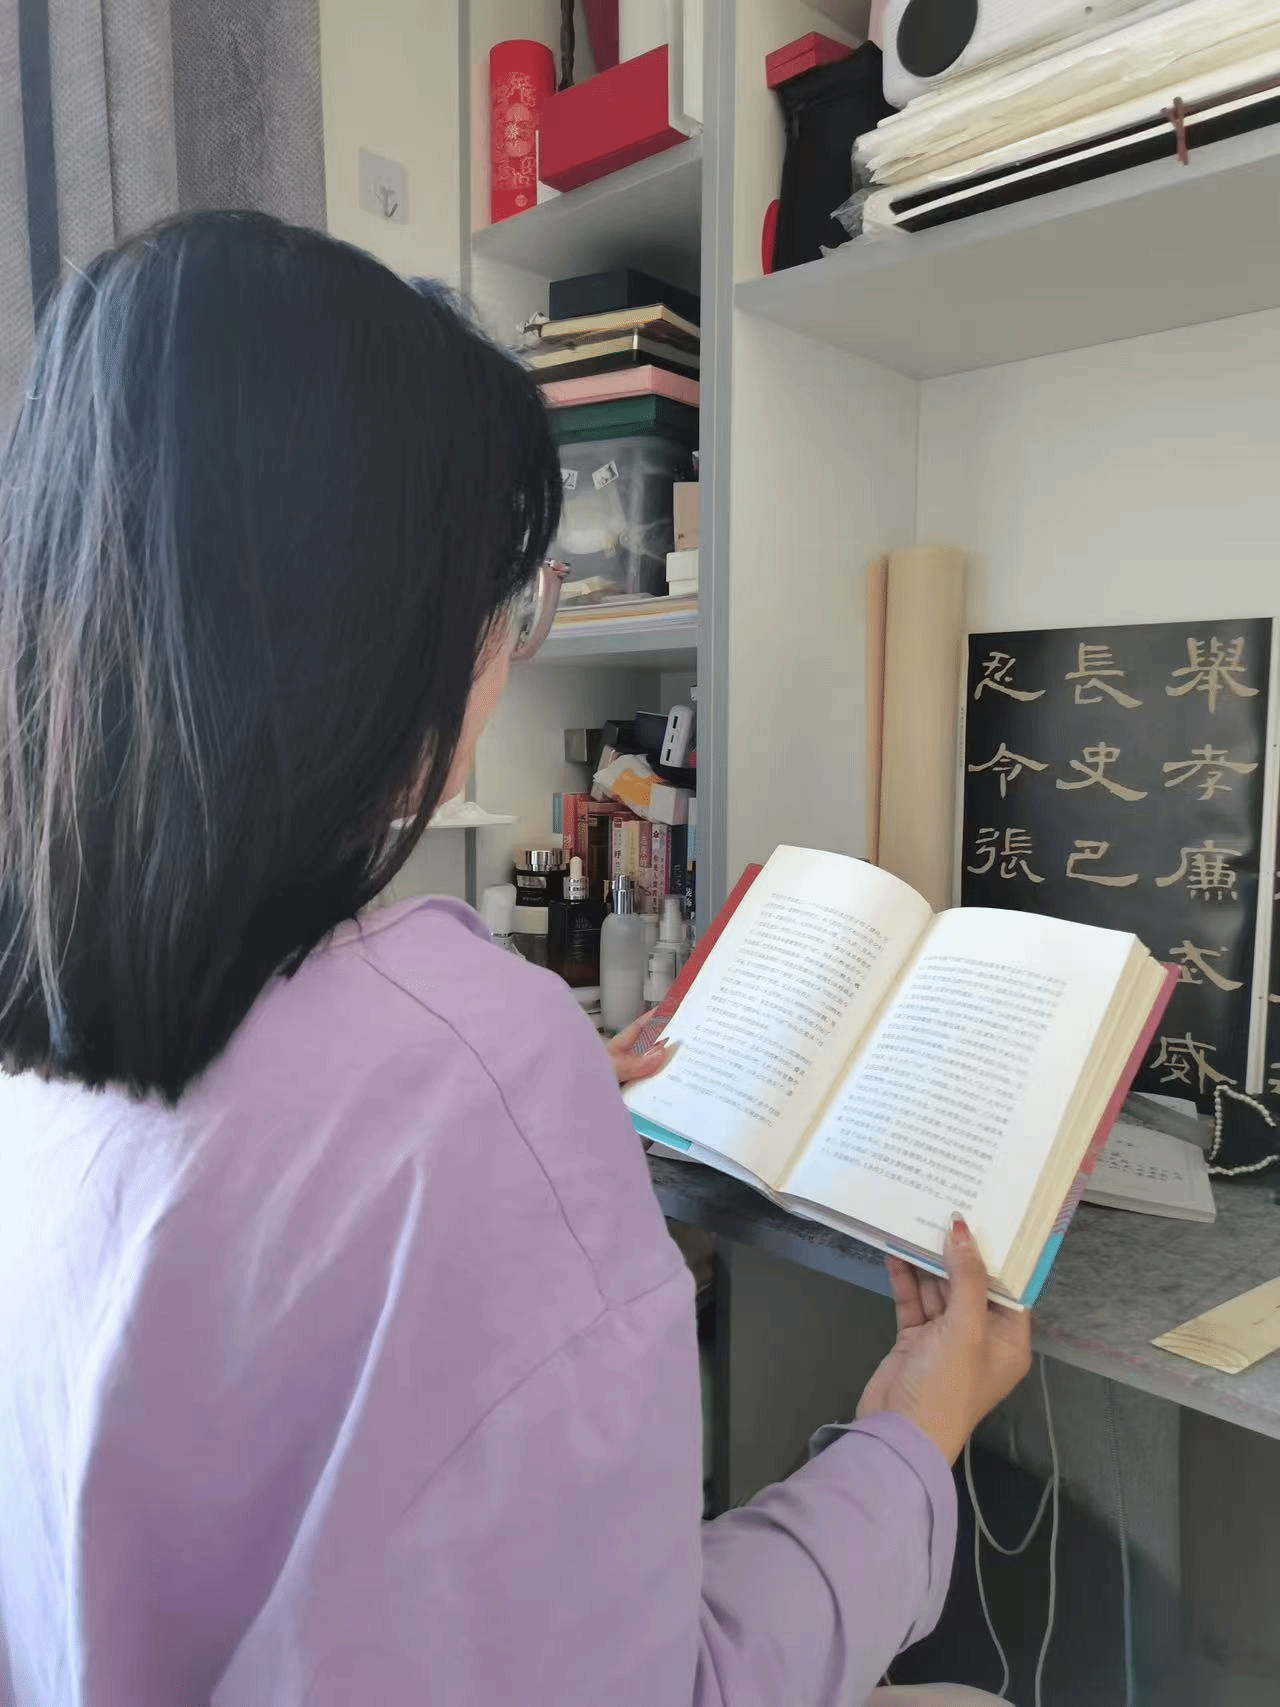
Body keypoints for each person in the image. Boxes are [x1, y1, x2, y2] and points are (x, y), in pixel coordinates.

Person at [0, 212, 1030, 1707]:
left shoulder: (53, 1024)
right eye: (510, 601)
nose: (505, 652)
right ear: (382, 632)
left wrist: (514, 1112)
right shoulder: (462, 1067)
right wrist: (909, 1438)